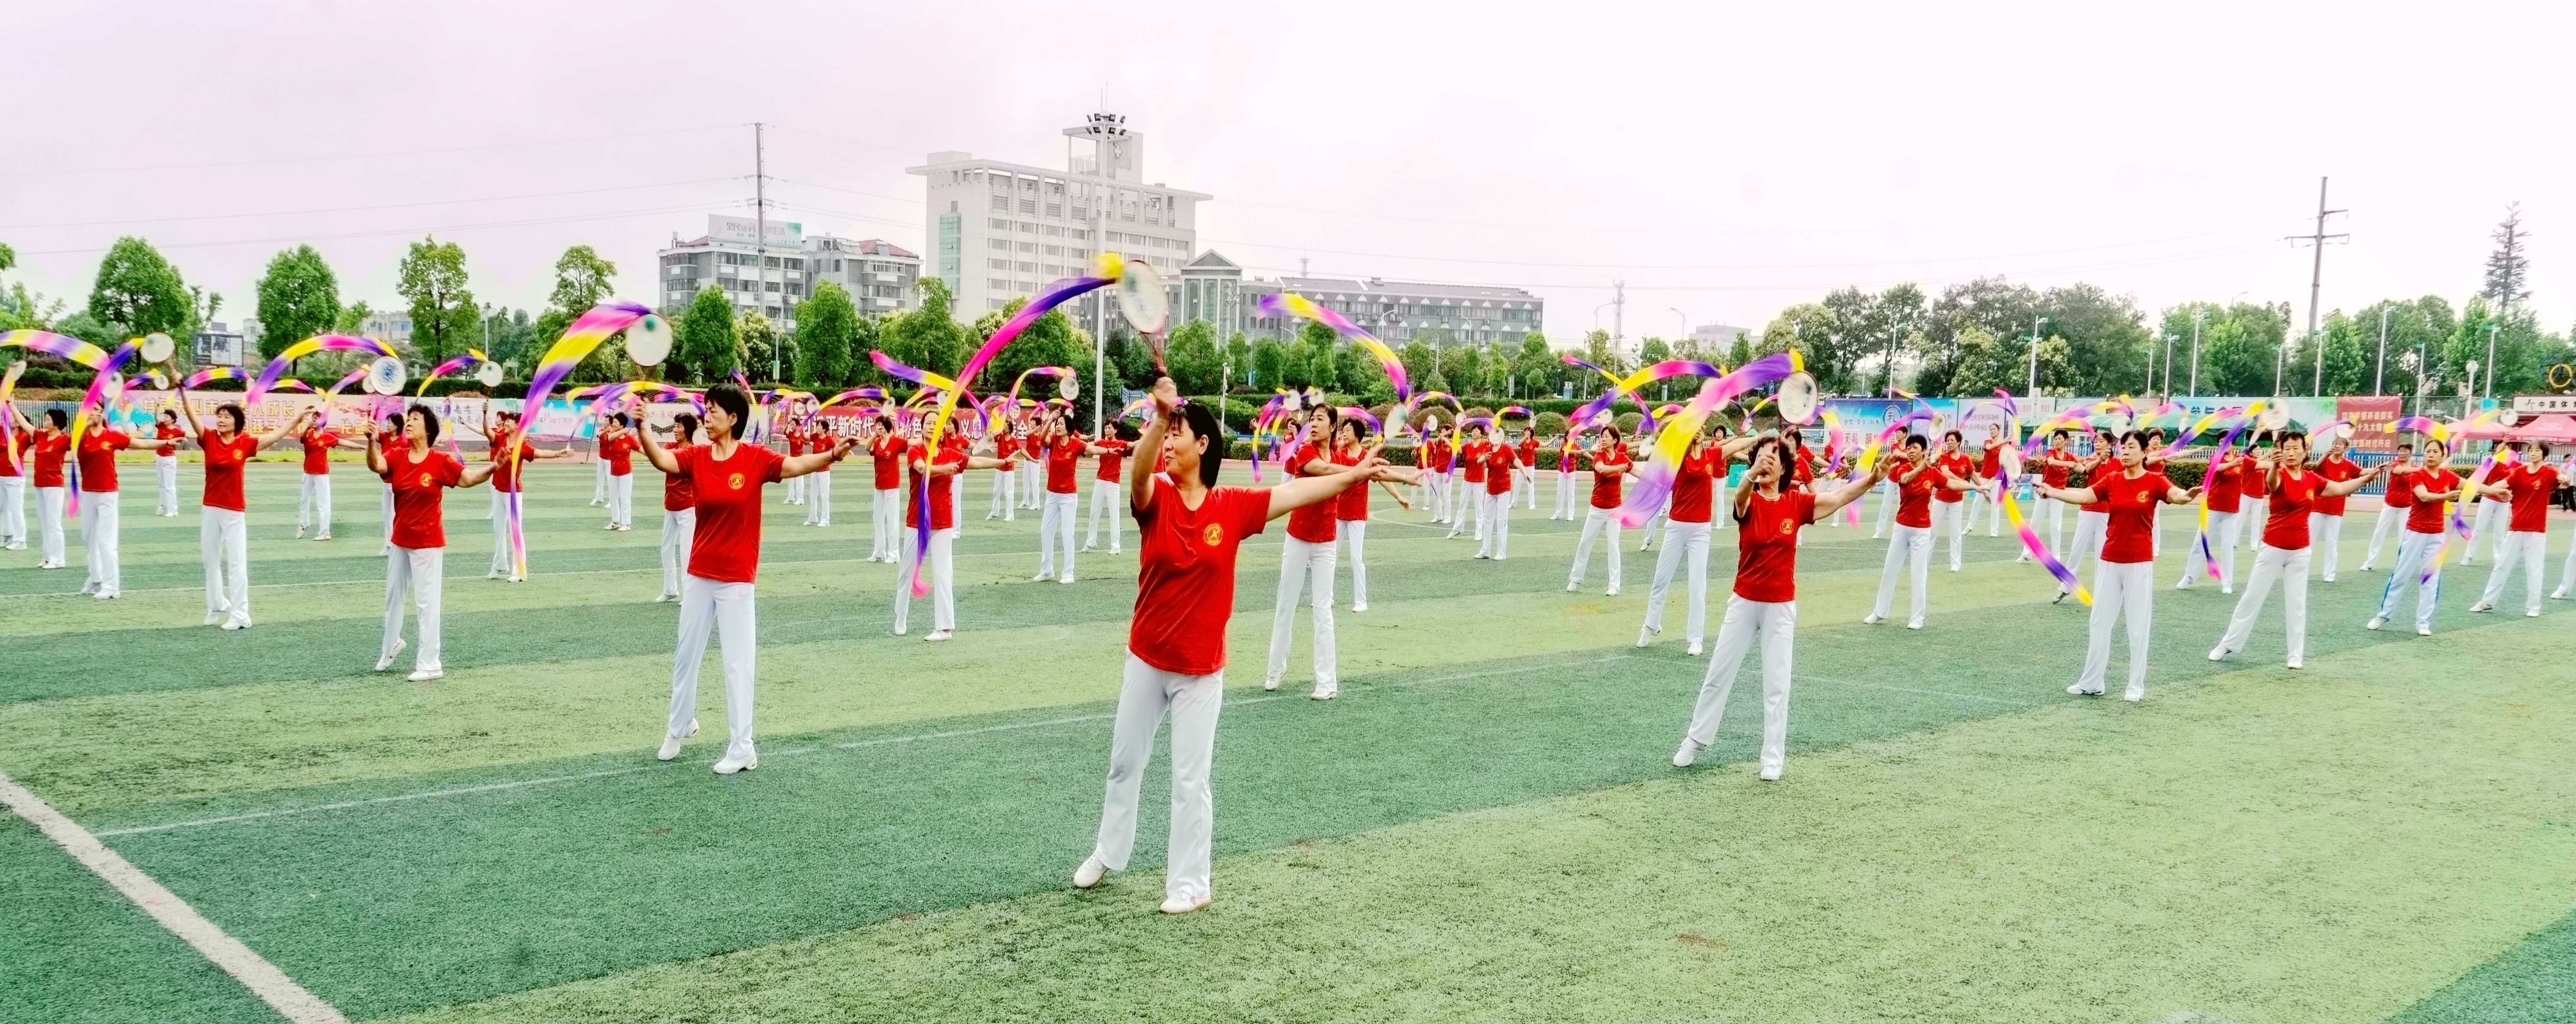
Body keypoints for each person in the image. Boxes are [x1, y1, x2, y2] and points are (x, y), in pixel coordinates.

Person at [1072, 378, 1389, 914]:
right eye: (1165, 435)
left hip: (1200, 669)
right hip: (1147, 657)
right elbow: (1139, 473)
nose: (1169, 443)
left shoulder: (1232, 506)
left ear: (1204, 445)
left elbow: (1293, 493)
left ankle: (1190, 884)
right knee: (1124, 764)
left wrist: (1352, 475)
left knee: (1190, 779)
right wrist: (1157, 417)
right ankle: (1108, 851)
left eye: (1178, 434)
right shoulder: (1157, 499)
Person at [636, 383, 852, 772]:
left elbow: (794, 466)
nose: (708, 415)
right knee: (686, 655)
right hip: (700, 573)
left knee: (737, 663)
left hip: (736, 576)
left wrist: (831, 455)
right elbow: (663, 463)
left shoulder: (755, 459)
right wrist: (644, 431)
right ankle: (678, 727)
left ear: (734, 418)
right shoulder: (697, 456)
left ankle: (742, 747)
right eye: (706, 407)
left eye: (715, 409)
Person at [1673, 434, 1884, 775]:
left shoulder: (1796, 502)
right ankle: (1695, 740)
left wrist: (1871, 480)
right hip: (1743, 602)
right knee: (1718, 674)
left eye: (1774, 457)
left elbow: (1839, 496)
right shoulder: (1749, 501)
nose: (1768, 461)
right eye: (1762, 456)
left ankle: (1772, 759)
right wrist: (1750, 473)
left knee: (1777, 684)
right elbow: (1740, 498)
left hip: (1780, 606)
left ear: (1785, 467)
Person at [2029, 430, 2202, 700]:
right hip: (2110, 560)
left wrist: (2187, 495)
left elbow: (2175, 494)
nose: (2125, 451)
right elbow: (2085, 496)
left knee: (2137, 625)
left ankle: (2135, 686)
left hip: (2139, 563)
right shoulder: (2112, 479)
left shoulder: (2155, 480)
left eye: (2132, 447)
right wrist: (2053, 491)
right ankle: (2092, 682)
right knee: (2099, 622)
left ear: (2145, 453)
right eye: (2123, 447)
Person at [2207, 431, 2386, 669]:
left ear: (2305, 451)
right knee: (2251, 598)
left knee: (2297, 604)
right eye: (2287, 448)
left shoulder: (2312, 479)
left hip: (2300, 551)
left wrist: (2367, 478)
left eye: (2295, 448)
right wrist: (2274, 466)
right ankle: (2228, 644)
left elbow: (2339, 488)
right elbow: (2272, 484)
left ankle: (2295, 655)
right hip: (2273, 548)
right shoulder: (2278, 474)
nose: (2291, 452)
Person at [368, 404, 496, 681]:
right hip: (400, 539)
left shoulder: (440, 461)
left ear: (429, 430)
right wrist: (370, 443)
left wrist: (494, 466)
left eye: (415, 419)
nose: (409, 423)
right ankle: (391, 646)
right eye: (409, 419)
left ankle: (431, 664)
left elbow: (468, 479)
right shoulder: (398, 456)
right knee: (393, 599)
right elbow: (377, 465)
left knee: (426, 605)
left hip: (427, 543)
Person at [172, 388, 309, 629]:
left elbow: (275, 436)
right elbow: (192, 416)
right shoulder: (209, 438)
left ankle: (241, 615)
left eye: (226, 416)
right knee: (210, 560)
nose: (221, 419)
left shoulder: (245, 443)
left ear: (237, 422)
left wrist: (297, 420)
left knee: (237, 563)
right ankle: (217, 605)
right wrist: (182, 390)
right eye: (219, 416)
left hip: (234, 510)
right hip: (210, 508)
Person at [1638, 429, 1759, 655]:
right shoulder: (1678, 456)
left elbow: (1734, 446)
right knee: (1660, 580)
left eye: (1703, 429)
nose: (1699, 432)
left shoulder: (1711, 454)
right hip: (1676, 526)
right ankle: (1650, 626)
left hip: (1700, 530)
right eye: (1695, 428)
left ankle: (1696, 639)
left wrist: (1757, 438)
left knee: (1697, 585)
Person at [896, 417, 1005, 640]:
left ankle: (944, 628)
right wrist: (944, 469)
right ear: (922, 427)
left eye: (936, 423)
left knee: (943, 572)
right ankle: (901, 616)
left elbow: (973, 463)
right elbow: (921, 469)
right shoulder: (915, 451)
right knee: (907, 571)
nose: (931, 426)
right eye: (928, 422)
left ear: (942, 429)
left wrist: (1001, 463)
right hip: (917, 521)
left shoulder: (950, 453)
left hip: (943, 522)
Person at [1267, 405, 1347, 697]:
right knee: (1286, 604)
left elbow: (1363, 476)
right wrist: (1360, 470)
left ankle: (1327, 683)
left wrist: (1403, 479)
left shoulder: (1339, 457)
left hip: (1326, 542)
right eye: (1311, 419)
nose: (1313, 424)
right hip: (1298, 538)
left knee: (1323, 610)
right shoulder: (1305, 453)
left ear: (1333, 426)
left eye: (1320, 420)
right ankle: (1275, 669)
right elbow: (1324, 472)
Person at [1867, 435, 1973, 627]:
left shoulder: (1932, 473)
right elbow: (1906, 480)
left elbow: (1951, 484)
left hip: (1922, 531)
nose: (1911, 451)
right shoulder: (1903, 469)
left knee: (1918, 574)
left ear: (1924, 451)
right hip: (1901, 527)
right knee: (1890, 570)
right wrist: (1921, 468)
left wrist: (1977, 487)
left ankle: (1917, 618)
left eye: (1915, 448)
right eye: (1909, 448)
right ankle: (1880, 612)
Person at [2367, 438, 2465, 636]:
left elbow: (2472, 486)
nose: (2431, 455)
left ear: (2443, 455)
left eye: (2435, 452)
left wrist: (2495, 491)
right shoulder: (2418, 475)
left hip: (2437, 534)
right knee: (2401, 575)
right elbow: (2424, 496)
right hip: (2415, 532)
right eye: (2428, 451)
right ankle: (2383, 615)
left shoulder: (2448, 476)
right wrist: (2448, 497)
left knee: (2431, 579)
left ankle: (2424, 623)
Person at [479, 409, 570, 581]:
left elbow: (540, 453)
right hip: (498, 491)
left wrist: (559, 453)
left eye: (509, 422)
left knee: (516, 532)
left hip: (513, 494)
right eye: (505, 422)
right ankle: (499, 566)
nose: (505, 424)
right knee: (498, 530)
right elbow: (487, 431)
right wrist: (484, 414)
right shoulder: (500, 439)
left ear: (517, 426)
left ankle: (520, 571)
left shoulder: (522, 446)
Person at [1335, 416, 1414, 610]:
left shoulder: (1366, 458)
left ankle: (1361, 602)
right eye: (1343, 429)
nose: (1344, 432)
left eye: (1348, 430)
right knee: (1330, 557)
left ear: (1358, 435)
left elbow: (1382, 478)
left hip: (1357, 514)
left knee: (1356, 558)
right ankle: (1326, 598)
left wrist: (1399, 497)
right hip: (1338, 513)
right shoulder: (1339, 454)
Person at [2470, 442, 2556, 617]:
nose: (2533, 453)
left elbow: (2562, 480)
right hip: (2516, 528)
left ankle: (2534, 606)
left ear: (2544, 454)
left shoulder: (2549, 473)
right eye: (2531, 450)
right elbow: (2502, 483)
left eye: (2537, 450)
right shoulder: (2520, 472)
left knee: (2534, 569)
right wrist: (2480, 489)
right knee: (2502, 566)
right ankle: (2487, 601)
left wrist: (2564, 480)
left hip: (2536, 531)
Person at [73, 412, 137, 598]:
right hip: (88, 493)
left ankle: (112, 587)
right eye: (92, 410)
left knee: (106, 542)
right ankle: (96, 577)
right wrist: (87, 424)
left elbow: (138, 443)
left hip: (108, 493)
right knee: (89, 539)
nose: (96, 414)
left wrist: (163, 443)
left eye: (99, 411)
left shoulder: (111, 435)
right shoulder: (81, 436)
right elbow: (73, 440)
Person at [1567, 425, 1632, 595]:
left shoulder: (1622, 457)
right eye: (1602, 436)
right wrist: (1619, 468)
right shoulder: (1598, 456)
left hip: (1615, 510)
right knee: (1584, 544)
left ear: (1615, 440)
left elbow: (1637, 471)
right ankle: (1575, 579)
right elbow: (1602, 469)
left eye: (1606, 436)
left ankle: (1614, 585)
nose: (1603, 439)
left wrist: (1656, 482)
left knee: (1613, 546)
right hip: (1596, 509)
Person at [2180, 443, 2249, 592]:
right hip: (2212, 508)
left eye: (2227, 442)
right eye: (2221, 444)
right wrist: (2233, 463)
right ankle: (2189, 576)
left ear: (2233, 444)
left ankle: (2227, 583)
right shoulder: (2215, 458)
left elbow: (2261, 464)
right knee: (2200, 543)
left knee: (2227, 546)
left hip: (2231, 512)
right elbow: (2216, 469)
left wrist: (2276, 462)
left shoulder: (2242, 460)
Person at [654, 412, 702, 602]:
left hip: (687, 507)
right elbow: (661, 456)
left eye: (679, 427)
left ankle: (689, 593)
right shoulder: (670, 446)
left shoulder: (694, 451)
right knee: (666, 549)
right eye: (674, 426)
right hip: (671, 505)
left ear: (688, 430)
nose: (675, 430)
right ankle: (670, 590)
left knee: (686, 551)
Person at [295, 408, 363, 540]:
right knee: (304, 500)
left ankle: (325, 532)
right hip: (308, 472)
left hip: (321, 474)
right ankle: (304, 523)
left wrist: (363, 447)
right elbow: (302, 440)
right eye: (313, 418)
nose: (314, 420)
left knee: (323, 503)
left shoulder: (327, 437)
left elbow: (345, 443)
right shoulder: (308, 434)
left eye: (317, 419)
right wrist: (305, 429)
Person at [18, 409, 70, 568]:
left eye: (48, 419)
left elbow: (82, 436)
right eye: (45, 419)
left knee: (54, 523)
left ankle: (58, 559)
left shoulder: (64, 439)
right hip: (40, 484)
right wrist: (12, 406)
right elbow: (25, 424)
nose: (45, 422)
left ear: (57, 423)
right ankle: (48, 557)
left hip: (54, 485)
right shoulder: (41, 436)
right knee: (44, 523)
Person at [1035, 414, 1083, 583]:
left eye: (1061, 424)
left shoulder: (1076, 444)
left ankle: (1068, 573)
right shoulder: (1053, 441)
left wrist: (1107, 451)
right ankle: (1047, 570)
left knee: (1067, 534)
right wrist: (1049, 421)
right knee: (1046, 531)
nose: (1058, 426)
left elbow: (1091, 450)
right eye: (1057, 424)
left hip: (1069, 496)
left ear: (1068, 428)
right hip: (1052, 494)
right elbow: (1042, 438)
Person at [2308, 431, 2363, 582]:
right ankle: (2302, 569)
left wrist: (2376, 471)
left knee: (2332, 543)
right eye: (2335, 443)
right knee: (2309, 540)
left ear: (2345, 448)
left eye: (2340, 444)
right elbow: (2314, 467)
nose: (2337, 446)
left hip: (2336, 509)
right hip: (2318, 507)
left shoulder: (2347, 465)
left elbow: (2361, 472)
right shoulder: (2324, 461)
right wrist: (2326, 454)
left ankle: (2330, 574)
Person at [2357, 444, 2420, 571]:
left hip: (2407, 507)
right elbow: (2401, 471)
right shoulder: (2395, 464)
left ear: (2410, 453)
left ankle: (2403, 565)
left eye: (2405, 451)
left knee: (2405, 537)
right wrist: (2423, 469)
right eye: (2400, 451)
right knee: (2379, 532)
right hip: (2390, 504)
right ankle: (2370, 563)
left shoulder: (2414, 467)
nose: (2402, 453)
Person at [2027, 430, 2078, 564]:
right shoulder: (2051, 452)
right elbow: (2051, 462)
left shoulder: (2070, 456)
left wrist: (2089, 467)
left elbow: (2080, 467)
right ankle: (2027, 553)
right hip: (2044, 491)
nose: (2057, 441)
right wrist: (2069, 464)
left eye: (2060, 439)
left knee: (2056, 526)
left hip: (2059, 493)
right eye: (2056, 439)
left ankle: (2056, 556)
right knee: (2035, 523)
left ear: (2066, 441)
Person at [1082, 421, 1134, 554]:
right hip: (1100, 481)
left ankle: (1116, 546)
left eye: (1110, 428)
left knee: (1114, 515)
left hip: (1113, 483)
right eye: (1106, 428)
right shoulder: (1101, 443)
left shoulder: (1120, 444)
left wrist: (1147, 438)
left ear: (1115, 430)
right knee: (1094, 513)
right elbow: (1087, 447)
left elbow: (1133, 445)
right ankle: (1090, 542)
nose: (1107, 430)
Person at [1930, 430, 1975, 571]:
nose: (1949, 443)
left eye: (1952, 440)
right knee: (1932, 531)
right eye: (1947, 440)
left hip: (1957, 500)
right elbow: (1946, 473)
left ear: (1959, 442)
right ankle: (1923, 562)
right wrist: (1965, 483)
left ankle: (1955, 564)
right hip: (1941, 498)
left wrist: (1982, 487)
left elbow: (1972, 474)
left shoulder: (1966, 458)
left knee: (1956, 533)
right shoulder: (1944, 457)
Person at [2460, 452, 2514, 565]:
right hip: (2489, 499)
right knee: (2478, 529)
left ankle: (2498, 559)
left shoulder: (2514, 465)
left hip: (2504, 502)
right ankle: (2468, 556)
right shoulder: (2494, 462)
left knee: (2500, 532)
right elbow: (2486, 467)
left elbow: (2525, 466)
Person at [866, 416, 907, 562]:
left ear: (887, 427)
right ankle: (879, 552)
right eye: (877, 425)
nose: (879, 427)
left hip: (892, 487)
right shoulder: (876, 442)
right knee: (877, 519)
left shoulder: (896, 442)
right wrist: (874, 436)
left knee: (892, 520)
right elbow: (867, 448)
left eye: (881, 425)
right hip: (879, 486)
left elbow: (913, 443)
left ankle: (894, 554)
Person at [598, 412, 640, 532]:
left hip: (626, 472)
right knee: (613, 498)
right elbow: (610, 438)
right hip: (614, 472)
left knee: (625, 498)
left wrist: (654, 456)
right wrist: (625, 431)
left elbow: (640, 449)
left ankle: (626, 524)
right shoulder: (612, 435)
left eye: (616, 422)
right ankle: (616, 522)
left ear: (622, 424)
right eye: (614, 422)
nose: (614, 424)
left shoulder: (630, 438)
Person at [1449, 424, 1489, 541]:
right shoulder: (1467, 446)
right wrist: (1449, 439)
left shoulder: (1485, 445)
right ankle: (1457, 529)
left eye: (1477, 431)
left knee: (1479, 508)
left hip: (1479, 481)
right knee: (1462, 505)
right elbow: (1456, 449)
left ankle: (1479, 533)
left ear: (1481, 434)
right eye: (1473, 431)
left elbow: (1495, 444)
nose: (1474, 433)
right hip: (1467, 480)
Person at [801, 416, 835, 528]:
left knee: (825, 496)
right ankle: (813, 518)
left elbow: (838, 447)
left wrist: (847, 449)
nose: (818, 428)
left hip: (824, 471)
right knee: (813, 494)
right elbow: (806, 437)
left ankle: (826, 520)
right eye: (817, 426)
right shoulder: (815, 436)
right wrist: (803, 428)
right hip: (814, 469)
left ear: (825, 429)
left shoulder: (829, 439)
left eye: (820, 426)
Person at [150, 408, 184, 517]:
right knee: (162, 484)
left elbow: (189, 434)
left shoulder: (177, 431)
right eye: (164, 416)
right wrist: (156, 408)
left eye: (167, 417)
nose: (164, 419)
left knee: (170, 486)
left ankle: (173, 510)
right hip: (159, 457)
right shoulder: (161, 426)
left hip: (169, 459)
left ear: (173, 420)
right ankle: (163, 506)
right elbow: (155, 417)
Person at [0, 417, 23, 550]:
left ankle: (20, 541)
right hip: (1, 476)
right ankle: (8, 536)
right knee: (3, 509)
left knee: (16, 510)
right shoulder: (3, 432)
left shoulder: (24, 436)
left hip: (15, 478)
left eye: (13, 418)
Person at [1552, 431, 1581, 520]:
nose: (1570, 437)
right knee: (1560, 493)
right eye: (1569, 435)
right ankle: (1558, 514)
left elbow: (1583, 452)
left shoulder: (1576, 446)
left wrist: (1592, 458)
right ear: (1566, 436)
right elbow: (1566, 450)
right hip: (1562, 471)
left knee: (1571, 494)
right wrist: (1578, 452)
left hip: (1572, 472)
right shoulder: (1563, 444)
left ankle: (1571, 515)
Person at [1516, 428, 1539, 509]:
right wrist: (1525, 437)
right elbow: (1519, 444)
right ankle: (1513, 503)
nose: (1527, 433)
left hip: (1530, 466)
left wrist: (1553, 441)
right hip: (1522, 466)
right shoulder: (1523, 441)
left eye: (1528, 432)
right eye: (1525, 432)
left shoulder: (1534, 442)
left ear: (1531, 433)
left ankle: (1532, 504)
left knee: (1530, 485)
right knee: (1517, 484)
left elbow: (1543, 445)